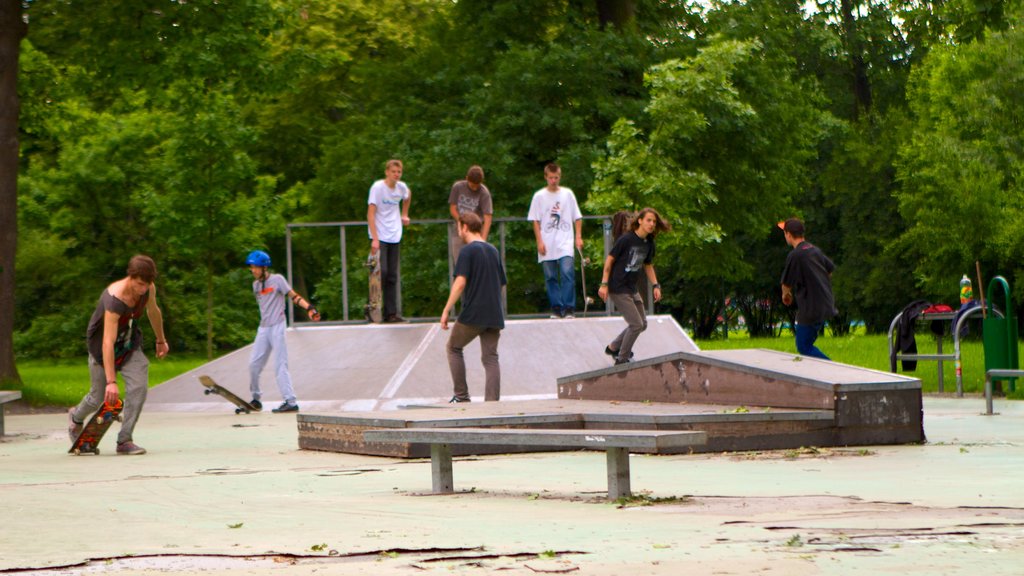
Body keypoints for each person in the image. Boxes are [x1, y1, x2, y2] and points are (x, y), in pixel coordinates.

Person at [67, 255, 169, 455]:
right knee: (97, 397)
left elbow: (153, 311)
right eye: (139, 284)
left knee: (139, 388)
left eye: (146, 285)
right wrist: (111, 382)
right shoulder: (114, 299)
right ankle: (76, 418)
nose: (142, 289)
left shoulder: (148, 288)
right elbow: (107, 342)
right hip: (102, 348)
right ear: (130, 276)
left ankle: (125, 440)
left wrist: (161, 340)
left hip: (129, 345)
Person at [441, 212, 507, 403]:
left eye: (459, 227)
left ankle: (462, 397)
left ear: (465, 227)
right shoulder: (493, 250)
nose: (458, 231)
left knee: (453, 348)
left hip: (474, 313)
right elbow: (502, 283)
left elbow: (460, 282)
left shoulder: (467, 251)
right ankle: (492, 404)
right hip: (495, 314)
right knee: (491, 358)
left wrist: (446, 310)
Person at [246, 250, 321, 413]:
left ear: (264, 267)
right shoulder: (256, 286)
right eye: (251, 267)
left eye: (255, 267)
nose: (252, 270)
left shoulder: (278, 280)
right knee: (253, 364)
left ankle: (290, 401)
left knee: (280, 364)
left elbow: (293, 296)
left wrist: (309, 308)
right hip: (263, 328)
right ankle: (256, 399)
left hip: (278, 326)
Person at [598, 208, 670, 365]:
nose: (651, 224)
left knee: (642, 324)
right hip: (618, 287)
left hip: (632, 288)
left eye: (654, 222)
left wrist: (656, 285)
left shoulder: (649, 243)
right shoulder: (626, 240)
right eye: (648, 220)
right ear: (640, 221)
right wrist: (604, 284)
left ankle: (613, 347)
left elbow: (648, 265)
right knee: (636, 324)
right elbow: (609, 261)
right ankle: (622, 359)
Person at [528, 163, 584, 319]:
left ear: (560, 177)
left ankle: (569, 307)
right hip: (547, 241)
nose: (554, 181)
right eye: (551, 178)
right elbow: (535, 220)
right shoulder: (539, 196)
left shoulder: (567, 194)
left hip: (565, 239)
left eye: (556, 178)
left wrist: (578, 236)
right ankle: (556, 307)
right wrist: (539, 241)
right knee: (550, 276)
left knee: (567, 272)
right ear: (546, 177)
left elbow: (577, 217)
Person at [779, 217, 837, 360]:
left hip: (811, 307)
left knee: (804, 346)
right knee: (806, 343)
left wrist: (786, 296)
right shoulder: (814, 250)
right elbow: (829, 270)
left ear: (788, 234)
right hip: (824, 302)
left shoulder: (795, 255)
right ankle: (824, 373)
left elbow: (786, 284)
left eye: (784, 233)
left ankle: (834, 370)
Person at [368, 159, 412, 322]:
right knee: (381, 272)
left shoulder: (401, 188)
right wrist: (374, 238)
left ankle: (391, 313)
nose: (396, 175)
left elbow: (408, 196)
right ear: (387, 172)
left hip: (394, 234)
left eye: (399, 172)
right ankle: (372, 310)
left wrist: (404, 214)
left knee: (392, 275)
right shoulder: (378, 188)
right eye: (393, 172)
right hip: (379, 235)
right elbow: (370, 213)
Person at [448, 165, 493, 266]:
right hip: (459, 231)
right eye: (472, 185)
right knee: (460, 264)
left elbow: (488, 217)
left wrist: (483, 239)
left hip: (475, 232)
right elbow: (453, 208)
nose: (475, 188)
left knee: (477, 264)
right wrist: (460, 222)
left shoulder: (484, 192)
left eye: (477, 185)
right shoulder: (458, 187)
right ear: (467, 178)